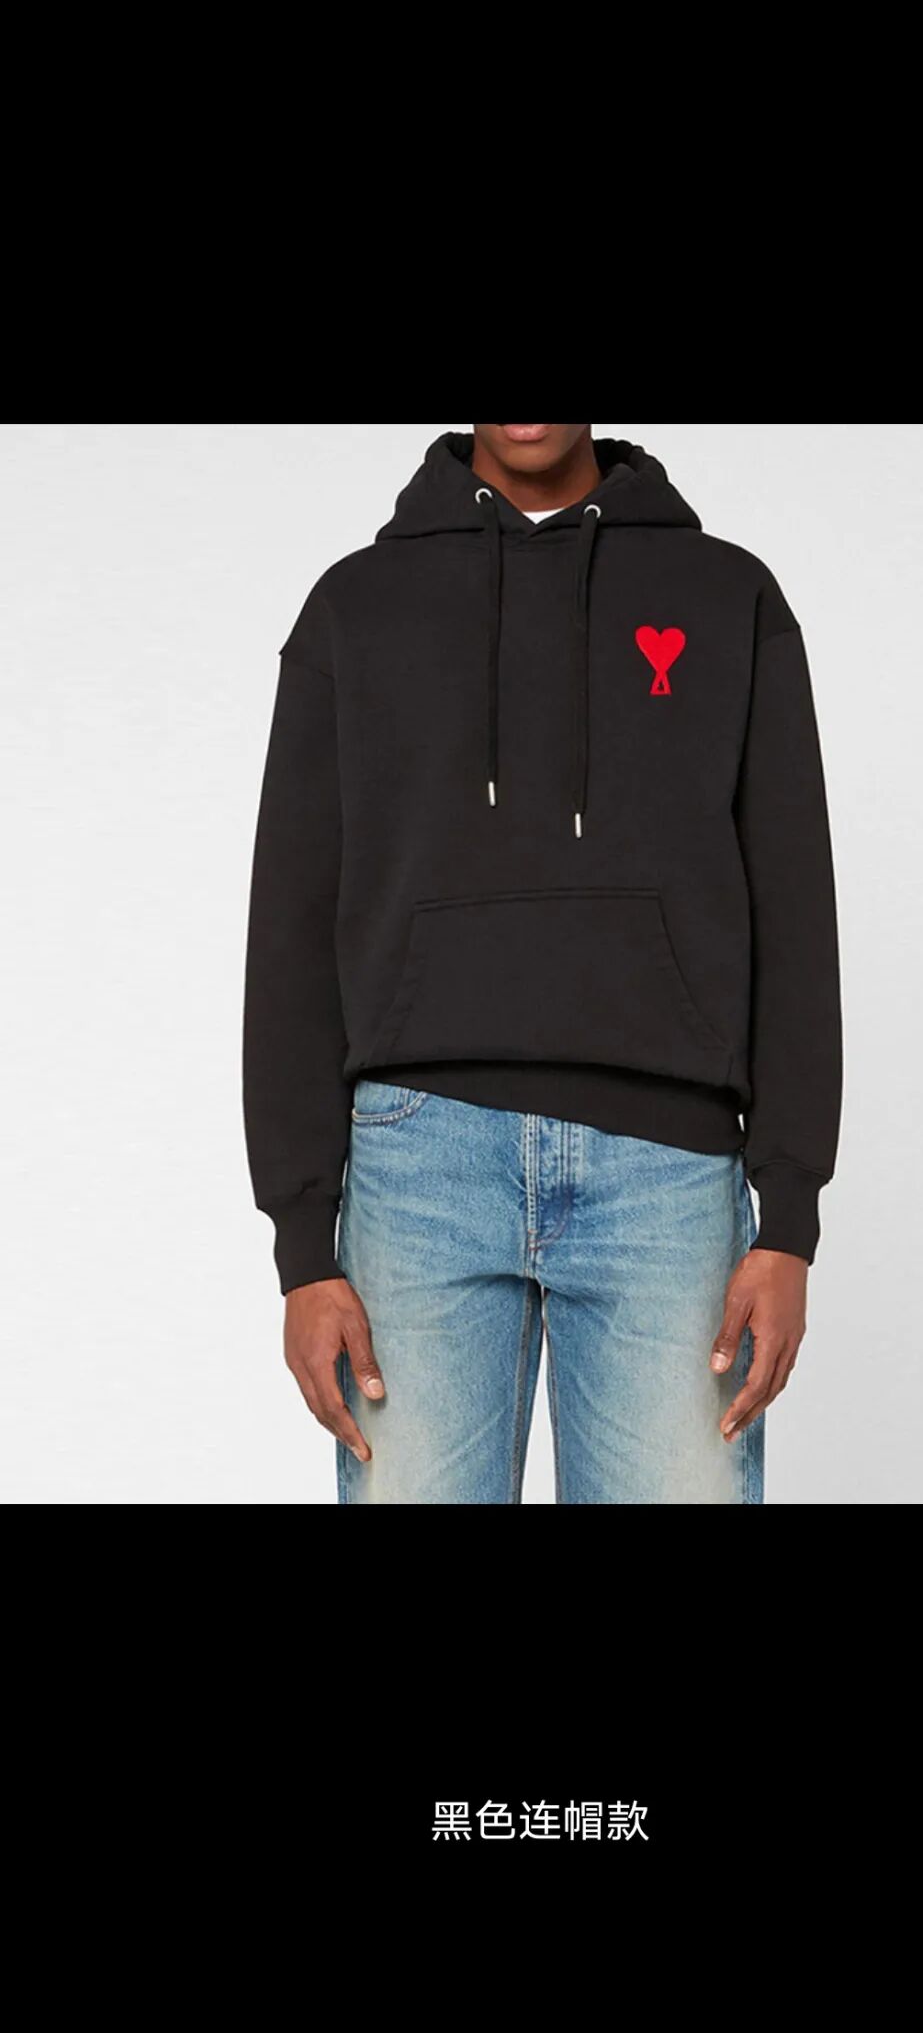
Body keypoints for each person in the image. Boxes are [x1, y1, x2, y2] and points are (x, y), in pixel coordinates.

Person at [242, 425, 842, 1504]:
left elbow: (793, 906)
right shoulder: (357, 608)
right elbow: (290, 924)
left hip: (668, 1171)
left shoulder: (726, 596)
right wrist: (301, 1244)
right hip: (418, 1166)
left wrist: (789, 1215)